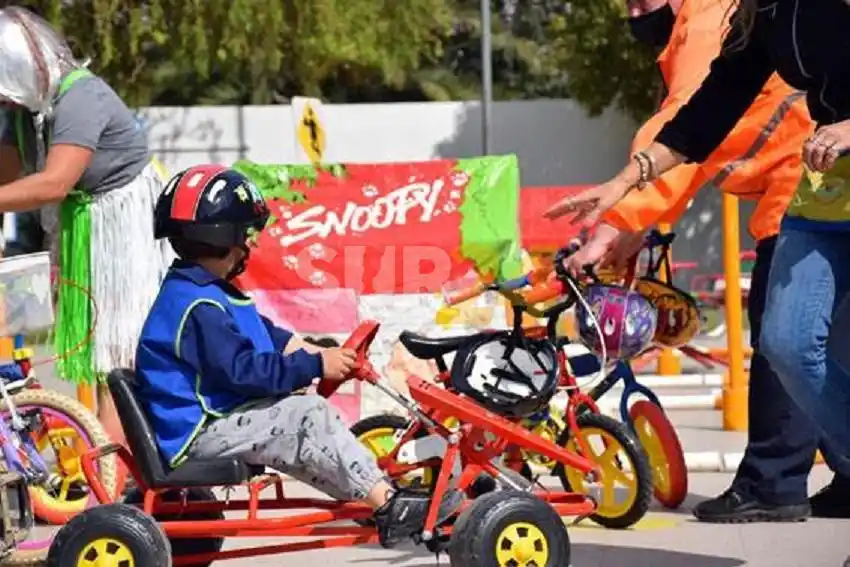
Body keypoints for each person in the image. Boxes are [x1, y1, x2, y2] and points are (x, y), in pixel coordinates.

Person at [545, 0, 850, 520]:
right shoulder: (758, 14)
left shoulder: (708, 19)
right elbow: (704, 114)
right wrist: (621, 190)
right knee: (787, 343)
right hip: (823, 184)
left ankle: (775, 480)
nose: (635, 8)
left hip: (818, 164)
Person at [135, 164, 464, 547]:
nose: (251, 245)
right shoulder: (198, 308)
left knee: (302, 420)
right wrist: (315, 365)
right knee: (306, 415)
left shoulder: (203, 293)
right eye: (247, 235)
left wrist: (319, 353)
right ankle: (388, 505)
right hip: (198, 433)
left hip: (209, 425)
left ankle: (376, 500)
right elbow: (244, 372)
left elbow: (269, 336)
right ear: (225, 237)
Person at [0, 6, 173, 445]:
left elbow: (54, 182)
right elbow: (6, 177)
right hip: (84, 226)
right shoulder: (26, 112)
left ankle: (113, 474)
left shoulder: (80, 97)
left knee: (116, 353)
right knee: (97, 356)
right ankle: (107, 465)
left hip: (123, 223)